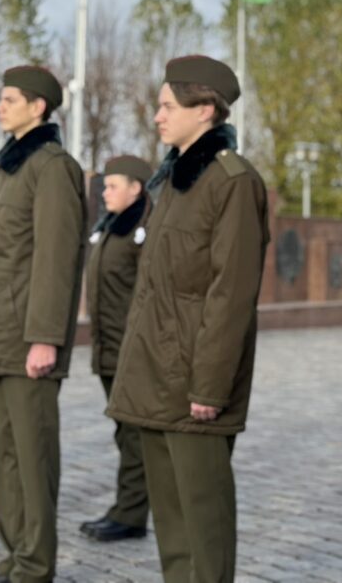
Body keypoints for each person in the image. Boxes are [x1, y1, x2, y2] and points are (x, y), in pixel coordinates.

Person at [108, 55, 269, 583]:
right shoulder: (175, 184)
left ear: (204, 110)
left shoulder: (232, 181)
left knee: (204, 522)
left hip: (195, 381)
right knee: (172, 523)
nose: (157, 116)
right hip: (155, 375)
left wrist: (210, 385)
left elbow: (231, 293)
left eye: (167, 106)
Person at [0, 65, 86, 583]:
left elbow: (56, 259)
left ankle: (35, 563)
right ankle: (15, 556)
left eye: (9, 99)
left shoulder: (52, 167)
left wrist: (45, 339)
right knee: (5, 456)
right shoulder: (10, 168)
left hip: (26, 341)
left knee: (32, 457)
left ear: (38, 107)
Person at [79, 155, 153, 543]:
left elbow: (147, 296)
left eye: (112, 186)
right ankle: (126, 507)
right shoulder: (111, 228)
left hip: (131, 351)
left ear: (135, 188)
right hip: (109, 348)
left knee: (134, 436)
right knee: (124, 433)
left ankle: (131, 513)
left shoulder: (143, 231)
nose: (105, 192)